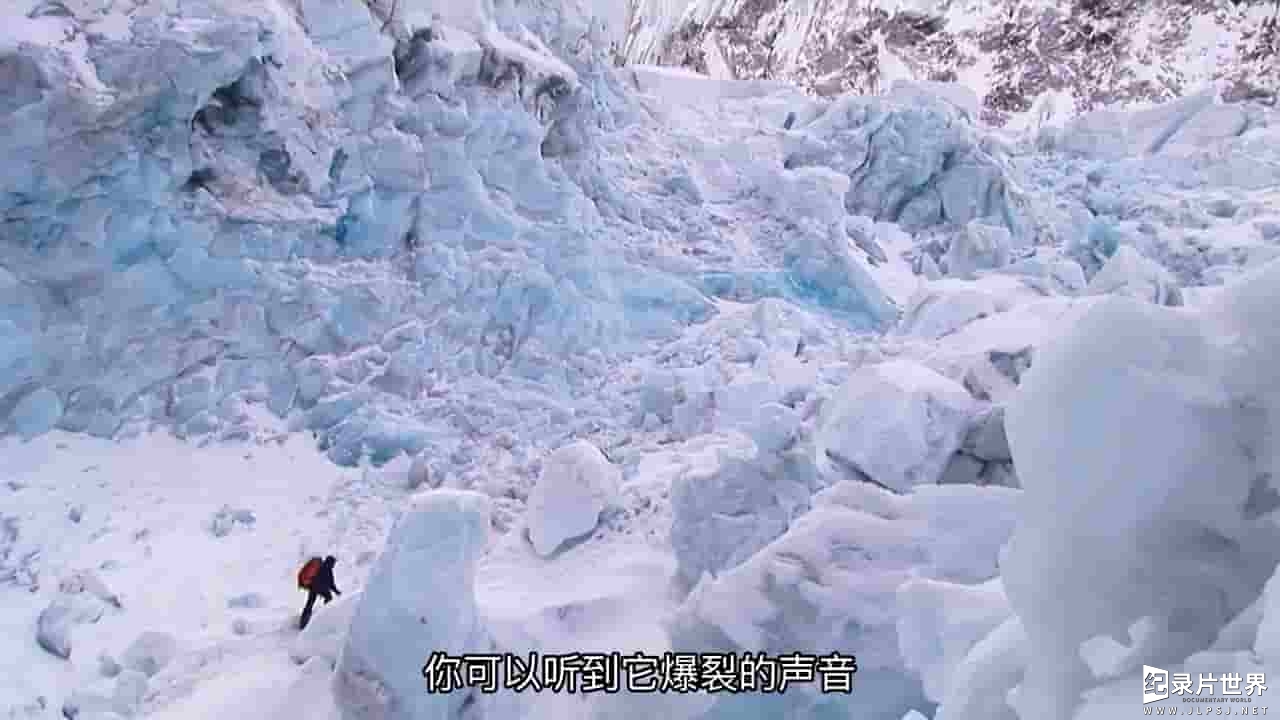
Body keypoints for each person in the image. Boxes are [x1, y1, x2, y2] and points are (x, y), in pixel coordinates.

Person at [299, 555, 341, 630]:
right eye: (334, 563)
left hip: (313, 587)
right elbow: (331, 583)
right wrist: (337, 592)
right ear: (330, 562)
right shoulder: (328, 569)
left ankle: (303, 622)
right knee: (329, 598)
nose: (334, 565)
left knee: (310, 603)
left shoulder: (321, 566)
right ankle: (325, 615)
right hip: (320, 588)